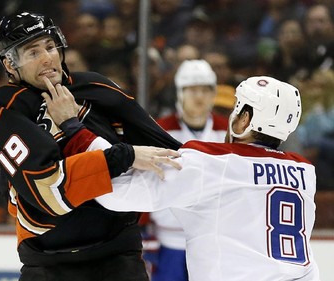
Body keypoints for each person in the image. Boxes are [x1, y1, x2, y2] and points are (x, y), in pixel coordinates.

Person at [0, 11, 181, 281]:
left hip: (119, 257)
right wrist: (126, 156)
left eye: (50, 46)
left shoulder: (97, 88)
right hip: (48, 265)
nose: (47, 57)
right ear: (10, 64)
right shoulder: (1, 109)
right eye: (33, 52)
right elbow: (48, 190)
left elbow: (172, 154)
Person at [93, 76, 320, 281]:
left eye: (237, 109)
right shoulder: (304, 172)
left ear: (245, 119)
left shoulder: (213, 162)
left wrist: (82, 136)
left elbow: (114, 194)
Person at [146, 59, 227, 281]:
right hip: (168, 240)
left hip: (214, 241)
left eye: (205, 90)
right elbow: (144, 179)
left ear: (213, 94)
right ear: (180, 93)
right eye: (192, 90)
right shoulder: (159, 131)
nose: (199, 97)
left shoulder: (228, 133)